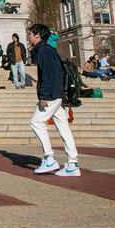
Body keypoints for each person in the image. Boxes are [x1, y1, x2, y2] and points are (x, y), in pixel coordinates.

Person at [28, 23, 79, 177]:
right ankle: (72, 163)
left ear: (37, 35)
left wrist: (44, 95)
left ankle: (49, 157)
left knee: (36, 122)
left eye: (31, 34)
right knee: (63, 127)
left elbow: (49, 75)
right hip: (57, 94)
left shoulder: (44, 50)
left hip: (51, 94)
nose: (29, 36)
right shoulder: (48, 49)